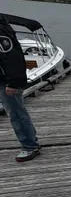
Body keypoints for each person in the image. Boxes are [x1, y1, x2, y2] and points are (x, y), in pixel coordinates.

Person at [0, 15, 40, 161]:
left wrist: (12, 83)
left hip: (7, 81)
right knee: (17, 112)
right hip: (5, 79)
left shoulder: (1, 31)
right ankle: (31, 140)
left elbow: (12, 57)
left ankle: (30, 146)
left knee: (16, 114)